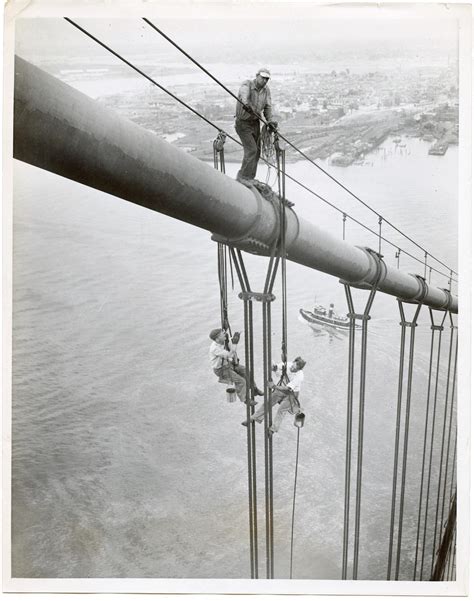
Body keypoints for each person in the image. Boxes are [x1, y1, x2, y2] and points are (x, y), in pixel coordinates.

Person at [235, 67, 278, 183]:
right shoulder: (247, 85)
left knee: (257, 151)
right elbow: (243, 94)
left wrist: (270, 121)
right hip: (243, 123)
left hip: (254, 123)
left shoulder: (266, 91)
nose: (264, 81)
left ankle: (250, 178)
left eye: (267, 79)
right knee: (251, 150)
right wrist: (246, 103)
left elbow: (268, 107)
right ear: (257, 76)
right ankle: (242, 177)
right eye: (263, 78)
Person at [242, 356, 306, 433]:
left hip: (292, 393)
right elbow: (276, 368)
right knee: (267, 403)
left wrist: (274, 386)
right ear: (293, 363)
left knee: (281, 410)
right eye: (293, 366)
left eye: (294, 368)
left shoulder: (300, 376)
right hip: (281, 388)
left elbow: (288, 388)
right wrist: (272, 366)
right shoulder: (288, 365)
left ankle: (273, 429)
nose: (292, 368)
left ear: (299, 369)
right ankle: (253, 418)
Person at [209, 328, 263, 405]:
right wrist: (235, 343)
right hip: (221, 369)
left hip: (228, 364)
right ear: (217, 339)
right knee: (241, 381)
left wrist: (235, 337)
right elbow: (230, 354)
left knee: (246, 371)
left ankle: (254, 390)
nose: (225, 334)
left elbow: (230, 341)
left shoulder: (223, 340)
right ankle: (245, 399)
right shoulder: (215, 348)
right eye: (222, 334)